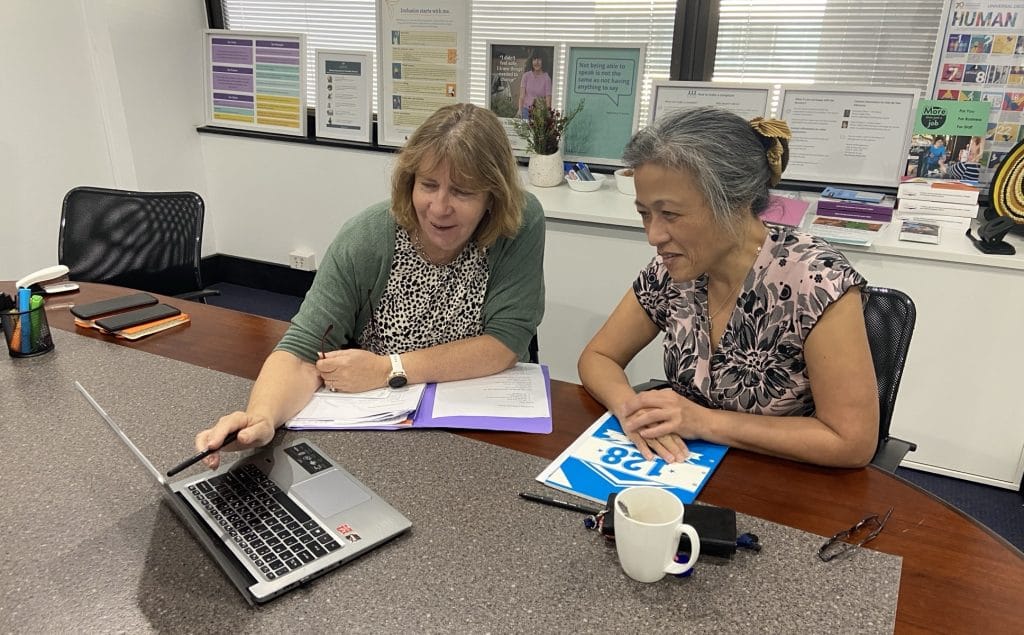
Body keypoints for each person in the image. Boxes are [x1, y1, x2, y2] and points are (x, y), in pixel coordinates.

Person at [196, 103, 546, 468]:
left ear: (493, 196)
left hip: (484, 426)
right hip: (387, 433)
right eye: (428, 185)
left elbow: (505, 343)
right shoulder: (366, 238)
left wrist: (389, 369)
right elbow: (303, 351)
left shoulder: (519, 222)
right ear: (409, 181)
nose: (439, 207)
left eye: (462, 192)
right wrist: (262, 417)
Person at [577, 106, 879, 468]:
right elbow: (598, 358)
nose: (653, 235)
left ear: (735, 203)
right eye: (645, 213)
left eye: (670, 214)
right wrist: (631, 409)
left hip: (783, 481)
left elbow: (851, 441)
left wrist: (705, 422)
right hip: (685, 468)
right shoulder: (673, 270)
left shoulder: (816, 280)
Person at [518, 54, 552, 119]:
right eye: (534, 59)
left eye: (539, 60)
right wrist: (520, 110)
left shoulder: (547, 78)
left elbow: (548, 98)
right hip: (526, 111)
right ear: (531, 61)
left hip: (540, 112)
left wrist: (548, 113)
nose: (536, 62)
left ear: (543, 61)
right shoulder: (526, 76)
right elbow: (521, 96)